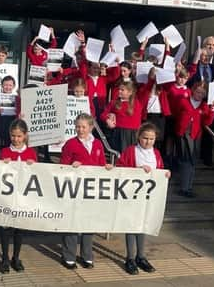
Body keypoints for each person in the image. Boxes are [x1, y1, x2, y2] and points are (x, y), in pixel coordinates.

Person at [60, 113, 113, 269]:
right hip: (74, 189)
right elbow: (61, 167)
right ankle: (68, 255)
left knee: (89, 222)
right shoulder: (70, 144)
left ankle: (87, 255)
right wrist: (71, 167)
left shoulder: (97, 144)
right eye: (77, 126)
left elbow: (101, 163)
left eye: (83, 127)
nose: (80, 129)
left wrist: (107, 167)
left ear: (90, 127)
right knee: (72, 222)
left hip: (91, 190)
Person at [116, 123, 170, 275]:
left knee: (143, 225)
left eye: (152, 139)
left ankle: (141, 256)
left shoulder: (156, 153)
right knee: (131, 226)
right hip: (132, 195)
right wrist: (137, 171)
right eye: (145, 138)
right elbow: (120, 168)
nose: (148, 141)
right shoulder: (130, 151)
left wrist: (165, 174)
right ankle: (130, 258)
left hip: (148, 196)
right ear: (139, 137)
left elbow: (160, 170)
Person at [0, 119, 37, 273]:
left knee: (19, 229)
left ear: (25, 136)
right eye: (13, 136)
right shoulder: (4, 152)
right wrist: (3, 164)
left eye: (19, 136)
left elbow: (38, 174)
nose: (16, 139)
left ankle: (16, 257)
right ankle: (5, 258)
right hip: (7, 197)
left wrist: (32, 165)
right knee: (5, 228)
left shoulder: (31, 153)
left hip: (22, 196)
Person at [173, 82, 214, 198]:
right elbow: (176, 114)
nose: (199, 94)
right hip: (183, 134)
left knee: (192, 161)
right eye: (198, 91)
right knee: (186, 160)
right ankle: (184, 188)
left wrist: (212, 111)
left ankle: (188, 187)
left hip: (195, 135)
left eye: (202, 93)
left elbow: (207, 122)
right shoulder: (184, 101)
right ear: (193, 90)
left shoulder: (204, 106)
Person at [101, 81, 149, 152]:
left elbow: (146, 91)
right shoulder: (114, 102)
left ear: (130, 92)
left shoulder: (138, 102)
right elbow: (103, 115)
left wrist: (151, 79)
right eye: (119, 89)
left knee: (132, 155)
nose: (119, 91)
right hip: (119, 133)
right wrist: (108, 121)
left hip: (133, 134)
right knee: (120, 155)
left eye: (122, 90)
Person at [0, 75, 18, 157]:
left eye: (10, 85)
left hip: (13, 126)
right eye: (5, 85)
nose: (8, 87)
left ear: (13, 86)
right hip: (0, 126)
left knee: (12, 148)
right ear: (2, 85)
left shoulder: (17, 98)